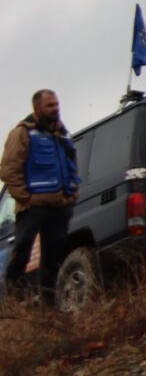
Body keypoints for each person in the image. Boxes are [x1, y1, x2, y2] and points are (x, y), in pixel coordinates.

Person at [1, 90, 80, 299]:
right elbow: (8, 170)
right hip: (32, 207)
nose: (55, 108)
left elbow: (72, 168)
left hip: (60, 207)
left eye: (56, 104)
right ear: (37, 108)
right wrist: (26, 199)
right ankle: (12, 300)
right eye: (50, 105)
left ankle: (48, 306)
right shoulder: (22, 133)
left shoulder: (63, 134)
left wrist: (71, 198)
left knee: (54, 259)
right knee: (21, 253)